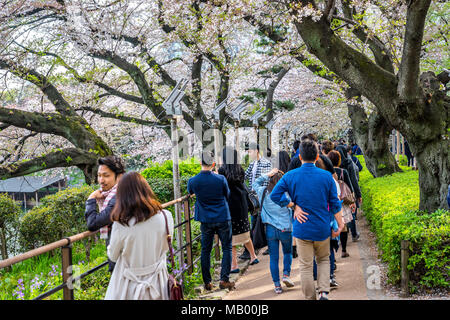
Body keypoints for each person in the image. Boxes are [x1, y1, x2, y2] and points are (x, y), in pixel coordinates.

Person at [271, 139, 344, 300]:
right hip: (322, 226)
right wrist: (340, 223)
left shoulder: (290, 175)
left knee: (305, 265)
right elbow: (334, 203)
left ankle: (310, 297)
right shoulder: (326, 176)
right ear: (317, 156)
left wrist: (292, 205)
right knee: (324, 259)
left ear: (300, 157)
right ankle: (324, 292)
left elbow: (274, 195)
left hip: (302, 227)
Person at [104, 172, 173, 300]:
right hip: (158, 282)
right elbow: (166, 247)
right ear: (146, 189)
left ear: (122, 195)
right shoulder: (165, 216)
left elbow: (113, 256)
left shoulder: (121, 224)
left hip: (128, 285)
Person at [187, 151, 235, 290]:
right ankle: (224, 279)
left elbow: (189, 192)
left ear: (200, 163)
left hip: (205, 219)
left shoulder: (193, 180)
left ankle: (207, 282)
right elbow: (227, 194)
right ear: (213, 164)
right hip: (222, 216)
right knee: (226, 247)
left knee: (205, 250)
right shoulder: (220, 179)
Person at [252, 167, 294, 294]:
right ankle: (286, 275)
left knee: (273, 258)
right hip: (285, 228)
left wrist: (267, 175)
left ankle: (277, 285)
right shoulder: (286, 194)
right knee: (287, 253)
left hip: (270, 228)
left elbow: (254, 184)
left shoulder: (263, 191)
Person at [218, 147, 259, 273]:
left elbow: (222, 187)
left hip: (229, 205)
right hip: (241, 204)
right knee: (245, 230)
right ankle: (253, 256)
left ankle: (234, 265)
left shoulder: (222, 170)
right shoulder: (239, 169)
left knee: (231, 237)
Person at [85, 155, 126, 272]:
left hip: (122, 263)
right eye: (99, 175)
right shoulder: (119, 192)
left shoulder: (118, 197)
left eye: (106, 176)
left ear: (119, 176)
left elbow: (93, 223)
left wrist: (91, 198)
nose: (101, 180)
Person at [241, 143, 272, 260]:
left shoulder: (266, 163)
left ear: (256, 151)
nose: (249, 154)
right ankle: (253, 249)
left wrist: (259, 195)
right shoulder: (252, 164)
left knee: (261, 222)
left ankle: (263, 247)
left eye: (250, 152)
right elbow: (244, 177)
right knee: (255, 222)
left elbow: (266, 181)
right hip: (253, 198)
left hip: (261, 197)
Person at [327, 150, 356, 258]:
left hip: (331, 201)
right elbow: (350, 187)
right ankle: (343, 250)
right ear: (339, 160)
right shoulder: (343, 172)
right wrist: (353, 202)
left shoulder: (326, 172)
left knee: (331, 225)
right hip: (343, 202)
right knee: (343, 226)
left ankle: (332, 254)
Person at [336, 144, 362, 241]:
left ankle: (342, 234)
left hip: (337, 194)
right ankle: (354, 234)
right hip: (348, 192)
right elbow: (354, 180)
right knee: (351, 214)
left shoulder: (332, 165)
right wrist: (358, 194)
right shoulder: (349, 163)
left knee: (340, 213)